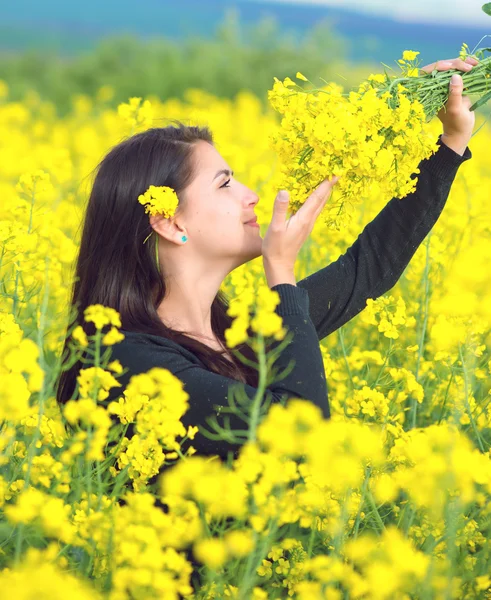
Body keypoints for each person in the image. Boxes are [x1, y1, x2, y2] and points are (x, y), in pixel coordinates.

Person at [55, 56, 476, 468]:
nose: (251, 194)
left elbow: (367, 270)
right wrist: (282, 277)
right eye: (224, 184)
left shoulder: (238, 335)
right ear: (168, 221)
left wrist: (450, 142)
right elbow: (300, 432)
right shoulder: (127, 363)